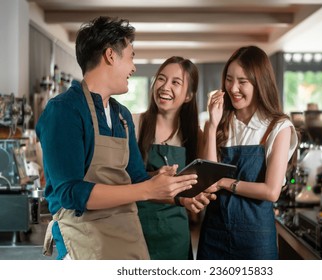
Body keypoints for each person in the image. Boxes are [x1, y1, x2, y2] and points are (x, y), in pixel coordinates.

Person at [35, 16, 198, 260]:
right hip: (82, 238)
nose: (134, 67)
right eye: (131, 56)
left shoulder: (120, 114)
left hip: (125, 232)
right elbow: (70, 192)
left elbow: (136, 178)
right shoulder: (64, 110)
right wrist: (146, 189)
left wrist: (175, 190)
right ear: (111, 56)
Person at [197, 45, 298, 260]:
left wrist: (225, 182)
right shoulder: (219, 123)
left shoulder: (278, 127)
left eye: (243, 82)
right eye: (229, 79)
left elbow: (271, 191)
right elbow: (208, 180)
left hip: (256, 240)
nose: (233, 88)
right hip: (214, 232)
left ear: (260, 83)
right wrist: (212, 126)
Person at [133, 56, 214, 259]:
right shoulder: (134, 124)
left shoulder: (195, 135)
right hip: (134, 230)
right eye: (161, 79)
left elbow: (208, 183)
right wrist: (153, 176)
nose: (165, 86)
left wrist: (212, 126)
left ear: (188, 95)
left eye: (176, 82)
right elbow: (120, 178)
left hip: (175, 236)